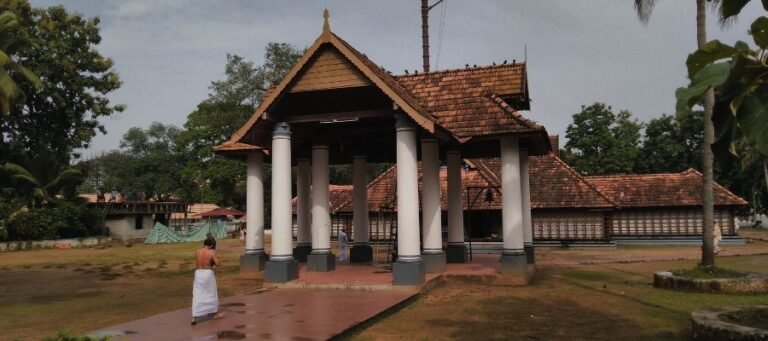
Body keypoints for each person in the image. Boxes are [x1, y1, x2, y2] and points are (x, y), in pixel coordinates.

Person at [192, 238, 222, 325]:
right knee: (211, 293)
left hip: (198, 273)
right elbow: (218, 264)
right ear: (212, 245)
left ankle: (194, 317)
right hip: (207, 273)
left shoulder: (197, 251)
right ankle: (214, 313)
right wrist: (215, 257)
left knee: (197, 293)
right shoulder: (211, 252)